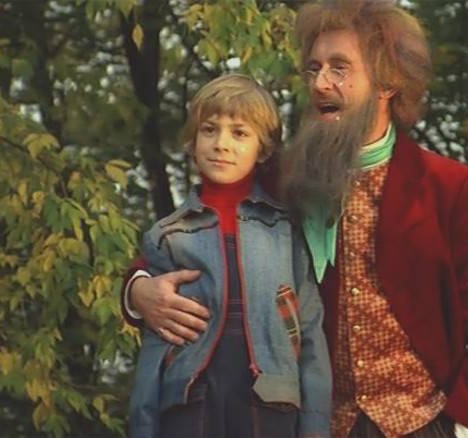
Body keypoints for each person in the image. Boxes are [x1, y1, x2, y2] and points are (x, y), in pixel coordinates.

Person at [123, 2, 468, 438]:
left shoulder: (454, 189)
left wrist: (464, 429)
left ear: (387, 82)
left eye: (339, 67)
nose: (320, 83)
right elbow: (195, 230)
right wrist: (139, 291)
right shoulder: (279, 179)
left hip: (428, 423)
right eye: (313, 68)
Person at [128, 74, 331, 438]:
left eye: (239, 133)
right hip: (189, 404)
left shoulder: (286, 230)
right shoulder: (167, 236)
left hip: (271, 404)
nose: (221, 144)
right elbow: (156, 344)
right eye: (209, 130)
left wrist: (316, 427)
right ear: (192, 142)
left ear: (263, 150)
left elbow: (311, 331)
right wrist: (144, 428)